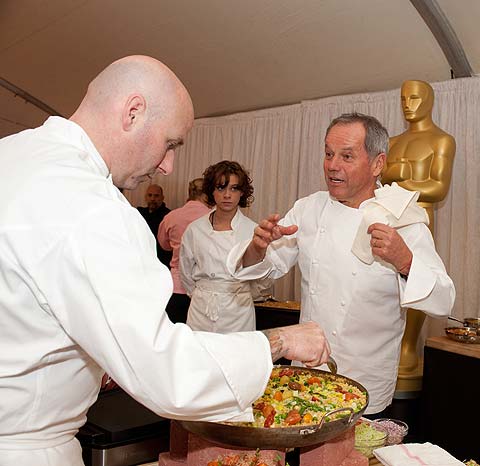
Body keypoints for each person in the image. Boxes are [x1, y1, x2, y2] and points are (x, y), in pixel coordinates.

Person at [0, 55, 329, 465]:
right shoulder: (91, 205)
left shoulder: (14, 154)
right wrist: (280, 341)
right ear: (133, 112)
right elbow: (166, 373)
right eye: (170, 143)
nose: (167, 165)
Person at [233, 112, 455, 416]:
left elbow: (444, 299)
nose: (332, 165)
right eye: (328, 153)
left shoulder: (402, 219)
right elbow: (262, 270)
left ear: (378, 164)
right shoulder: (308, 209)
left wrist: (405, 261)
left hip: (366, 381)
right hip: (308, 374)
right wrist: (257, 246)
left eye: (346, 156)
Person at [382, 79, 456, 389]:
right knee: (387, 284)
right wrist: (399, 182)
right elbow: (379, 181)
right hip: (387, 216)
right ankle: (391, 342)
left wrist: (399, 181)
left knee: (417, 277)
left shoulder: (442, 140)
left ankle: (409, 346)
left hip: (420, 217)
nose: (407, 103)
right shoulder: (393, 141)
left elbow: (438, 187)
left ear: (428, 100)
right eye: (403, 98)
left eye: (414, 97)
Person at [180, 161, 271, 333]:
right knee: (199, 356)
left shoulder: (253, 231)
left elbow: (262, 278)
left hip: (238, 311)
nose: (227, 195)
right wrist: (204, 293)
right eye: (221, 188)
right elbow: (185, 273)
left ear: (242, 192)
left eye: (234, 188)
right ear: (211, 191)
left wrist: (241, 293)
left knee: (236, 357)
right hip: (201, 309)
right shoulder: (195, 229)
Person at [157, 177, 211, 323]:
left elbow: (164, 245)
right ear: (207, 194)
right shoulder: (212, 218)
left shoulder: (172, 216)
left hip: (175, 285)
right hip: (203, 287)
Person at [137, 184, 172, 266]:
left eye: (156, 196)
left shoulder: (168, 216)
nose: (152, 199)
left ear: (162, 198)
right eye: (150, 195)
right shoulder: (139, 213)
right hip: (142, 259)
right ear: (145, 197)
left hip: (161, 261)